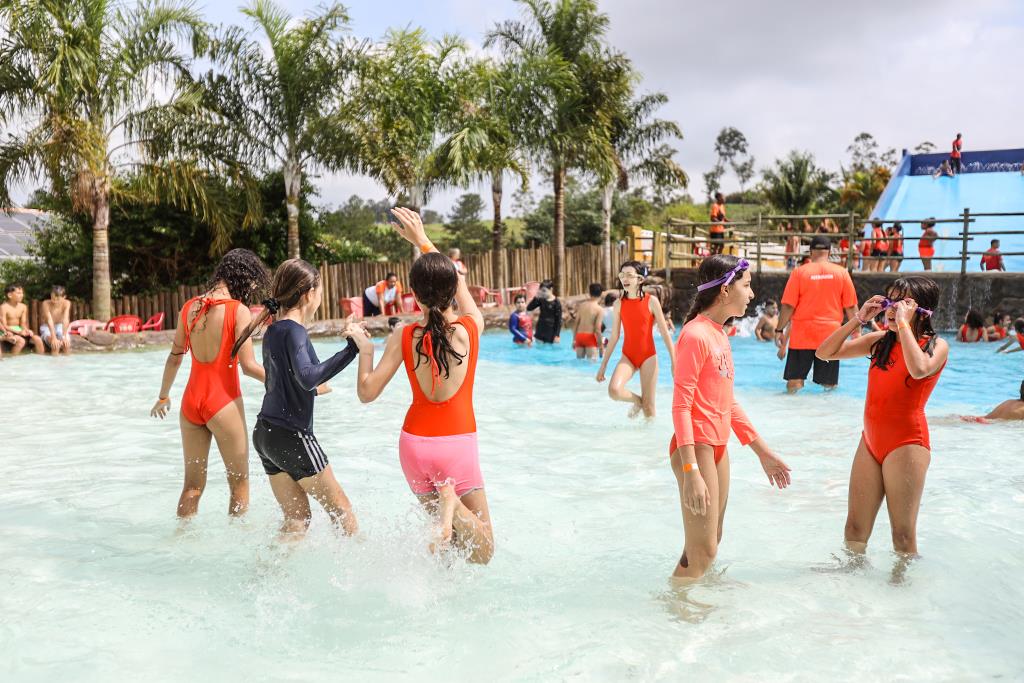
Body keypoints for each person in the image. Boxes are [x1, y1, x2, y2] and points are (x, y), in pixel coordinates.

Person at [350, 207, 493, 564]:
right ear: (451, 289)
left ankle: (448, 523)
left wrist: (365, 349)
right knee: (482, 551)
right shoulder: (469, 330)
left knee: (451, 551)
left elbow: (367, 393)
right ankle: (454, 506)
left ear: (412, 293)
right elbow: (460, 290)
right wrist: (423, 240)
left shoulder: (403, 335)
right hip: (455, 444)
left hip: (414, 447)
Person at [669, 254, 791, 580]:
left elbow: (728, 403)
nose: (751, 294)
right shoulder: (695, 336)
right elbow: (681, 406)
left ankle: (695, 602)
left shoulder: (719, 334)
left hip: (718, 447)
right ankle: (676, 611)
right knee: (703, 550)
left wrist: (763, 452)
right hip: (695, 448)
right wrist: (690, 469)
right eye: (747, 285)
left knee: (711, 541)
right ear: (725, 289)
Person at [816, 276, 947, 557]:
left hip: (907, 443)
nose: (891, 308)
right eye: (890, 300)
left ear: (921, 309)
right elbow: (824, 352)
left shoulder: (935, 345)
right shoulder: (879, 342)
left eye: (901, 301)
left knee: (902, 535)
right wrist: (858, 319)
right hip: (871, 442)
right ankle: (853, 583)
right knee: (854, 529)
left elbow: (919, 370)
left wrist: (903, 324)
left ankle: (901, 591)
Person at [232, 259, 361, 537]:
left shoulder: (274, 330)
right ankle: (359, 575)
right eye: (320, 291)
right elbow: (308, 377)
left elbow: (303, 378)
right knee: (343, 512)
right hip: (292, 435)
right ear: (308, 294)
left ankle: (268, 577)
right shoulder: (294, 331)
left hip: (266, 434)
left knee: (297, 519)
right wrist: (352, 349)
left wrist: (346, 337)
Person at [150, 249, 270, 517]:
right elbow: (249, 366)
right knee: (239, 485)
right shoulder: (238, 310)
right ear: (243, 278)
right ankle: (236, 546)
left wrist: (162, 396)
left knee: (192, 486)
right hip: (223, 402)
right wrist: (289, 382)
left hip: (191, 403)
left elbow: (174, 358)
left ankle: (182, 541)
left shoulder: (188, 308)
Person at [774, 235, 859, 392]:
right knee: (829, 385)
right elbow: (851, 307)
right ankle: (824, 414)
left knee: (795, 382)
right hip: (831, 335)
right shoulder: (842, 273)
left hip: (802, 335)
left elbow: (788, 306)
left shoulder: (799, 273)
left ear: (811, 251)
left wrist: (779, 329)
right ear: (829, 251)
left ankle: (790, 413)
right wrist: (857, 334)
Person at [596, 261, 675, 419]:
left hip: (648, 357)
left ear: (640, 279)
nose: (625, 279)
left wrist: (674, 361)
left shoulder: (651, 301)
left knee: (649, 409)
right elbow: (615, 336)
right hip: (628, 356)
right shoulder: (618, 304)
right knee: (614, 391)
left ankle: (648, 440)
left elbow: (666, 333)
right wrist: (603, 365)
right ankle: (638, 402)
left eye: (629, 275)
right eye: (622, 275)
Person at [1, 284, 44, 354]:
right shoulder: (3, 307)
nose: (22, 295)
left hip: (19, 329)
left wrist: (27, 330)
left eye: (22, 293)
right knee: (21, 341)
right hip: (7, 331)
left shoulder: (23, 307)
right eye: (19, 293)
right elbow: (4, 325)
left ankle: (42, 361)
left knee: (38, 339)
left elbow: (23, 324)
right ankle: (14, 359)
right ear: (10, 295)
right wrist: (18, 332)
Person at [572, 283, 604, 360]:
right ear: (601, 294)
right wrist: (601, 346)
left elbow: (576, 323)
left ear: (589, 293)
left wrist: (574, 340)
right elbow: (597, 329)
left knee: (579, 363)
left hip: (579, 336)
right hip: (590, 337)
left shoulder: (581, 306)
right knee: (592, 363)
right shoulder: (599, 309)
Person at [527, 280, 562, 344]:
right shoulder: (541, 300)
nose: (542, 293)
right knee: (539, 352)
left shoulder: (556, 303)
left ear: (551, 289)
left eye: (544, 291)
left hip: (551, 333)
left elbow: (559, 320)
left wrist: (557, 335)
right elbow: (529, 308)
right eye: (541, 291)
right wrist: (536, 297)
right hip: (540, 331)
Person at [40, 285, 72, 355]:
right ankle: (53, 363)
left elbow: (65, 319)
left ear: (64, 297)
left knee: (66, 345)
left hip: (60, 326)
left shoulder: (67, 303)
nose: (54, 301)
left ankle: (67, 364)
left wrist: (64, 336)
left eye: (57, 299)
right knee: (55, 346)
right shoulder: (46, 303)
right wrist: (53, 338)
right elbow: (49, 320)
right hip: (47, 327)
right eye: (52, 298)